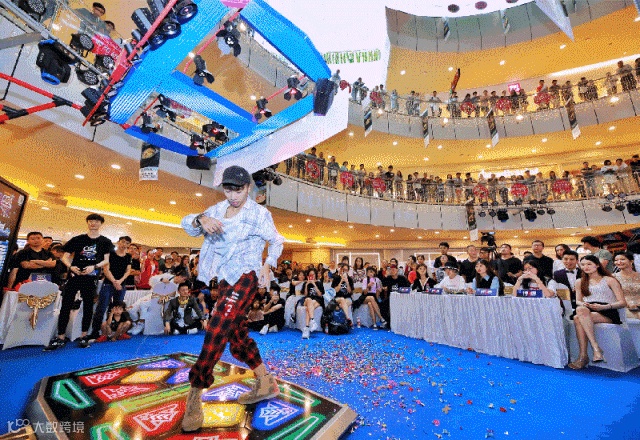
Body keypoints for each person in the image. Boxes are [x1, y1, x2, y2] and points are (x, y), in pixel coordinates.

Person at [180, 165, 283, 432]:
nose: (233, 196)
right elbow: (187, 224)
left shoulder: (259, 214)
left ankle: (195, 392)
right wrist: (200, 219)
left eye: (238, 190)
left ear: (248, 188)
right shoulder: (216, 210)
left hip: (247, 275)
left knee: (217, 327)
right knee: (236, 337)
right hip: (225, 278)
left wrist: (268, 264)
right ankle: (265, 381)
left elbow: (277, 241)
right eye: (228, 190)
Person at [45, 214, 113, 350]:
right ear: (87, 223)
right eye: (91, 221)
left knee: (88, 307)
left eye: (96, 221)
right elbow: (65, 257)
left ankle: (83, 336)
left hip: (91, 277)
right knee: (66, 305)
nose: (93, 223)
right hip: (74, 275)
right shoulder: (78, 239)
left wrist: (94, 266)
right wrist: (71, 267)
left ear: (101, 224)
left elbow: (106, 260)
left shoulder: (105, 241)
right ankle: (60, 337)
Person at [569, 255, 627, 370]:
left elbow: (622, 302)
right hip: (588, 310)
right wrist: (585, 304)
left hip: (608, 311)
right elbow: (578, 301)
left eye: (589, 264)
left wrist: (604, 307)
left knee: (577, 317)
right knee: (580, 310)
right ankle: (595, 349)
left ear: (597, 265)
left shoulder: (609, 280)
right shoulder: (579, 282)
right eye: (583, 265)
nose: (586, 267)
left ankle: (584, 356)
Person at [88, 236, 132, 341]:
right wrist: (114, 281)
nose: (124, 245)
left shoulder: (128, 256)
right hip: (108, 284)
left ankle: (117, 332)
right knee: (102, 308)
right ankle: (95, 332)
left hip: (121, 285)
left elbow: (128, 271)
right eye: (123, 242)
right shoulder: (110, 254)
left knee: (118, 309)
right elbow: (106, 269)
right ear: (118, 242)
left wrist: (120, 281)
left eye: (127, 243)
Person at [552, 250, 582, 317]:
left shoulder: (584, 273)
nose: (568, 261)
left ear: (577, 261)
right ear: (562, 260)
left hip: (581, 304)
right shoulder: (557, 274)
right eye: (565, 259)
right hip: (565, 305)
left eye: (572, 259)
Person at [612, 252, 640, 319]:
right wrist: (627, 304)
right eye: (616, 260)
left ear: (631, 261)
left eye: (622, 259)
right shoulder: (613, 277)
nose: (619, 262)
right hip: (623, 307)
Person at [301, 268, 325, 338]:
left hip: (317, 300)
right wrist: (306, 285)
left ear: (315, 275)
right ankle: (312, 320)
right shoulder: (305, 283)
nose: (312, 276)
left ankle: (306, 328)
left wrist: (314, 284)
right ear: (308, 276)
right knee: (309, 299)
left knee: (308, 309)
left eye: (313, 274)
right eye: (310, 275)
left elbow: (320, 294)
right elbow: (305, 295)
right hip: (307, 300)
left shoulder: (319, 283)